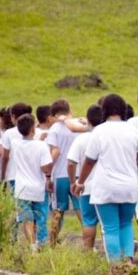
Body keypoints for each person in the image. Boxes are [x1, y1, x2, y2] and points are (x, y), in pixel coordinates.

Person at [76, 93, 138, 261]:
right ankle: (128, 261)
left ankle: (115, 267)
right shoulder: (133, 130)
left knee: (110, 228)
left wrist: (80, 181)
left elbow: (89, 161)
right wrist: (136, 178)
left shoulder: (99, 131)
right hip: (129, 185)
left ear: (104, 110)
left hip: (106, 187)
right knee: (126, 224)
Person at [46, 99, 86, 244]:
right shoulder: (79, 125)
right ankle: (89, 239)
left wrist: (48, 174)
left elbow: (54, 152)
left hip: (60, 174)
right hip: (77, 173)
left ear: (54, 115)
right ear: (69, 110)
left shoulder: (54, 129)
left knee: (58, 209)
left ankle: (53, 242)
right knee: (80, 208)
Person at [10, 113, 53, 247]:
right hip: (38, 187)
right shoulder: (42, 146)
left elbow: (28, 143)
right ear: (33, 129)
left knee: (26, 218)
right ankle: (42, 243)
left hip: (22, 188)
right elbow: (46, 168)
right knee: (41, 217)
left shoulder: (15, 143)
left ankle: (32, 245)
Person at [67, 104, 105, 252]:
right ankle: (113, 254)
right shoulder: (106, 137)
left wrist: (73, 182)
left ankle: (88, 252)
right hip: (105, 187)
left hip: (86, 186)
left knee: (88, 222)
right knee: (109, 224)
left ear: (88, 121)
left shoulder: (81, 139)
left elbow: (71, 163)